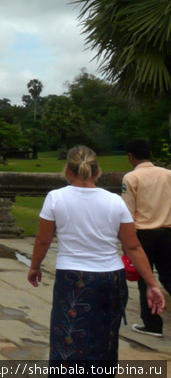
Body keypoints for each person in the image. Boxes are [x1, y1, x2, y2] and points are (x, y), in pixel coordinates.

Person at [27, 146, 164, 369]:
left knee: (68, 339)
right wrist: (152, 284)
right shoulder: (114, 201)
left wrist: (35, 267)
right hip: (110, 279)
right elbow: (133, 246)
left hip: (73, 278)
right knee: (105, 339)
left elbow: (43, 240)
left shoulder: (56, 198)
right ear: (97, 171)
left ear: (68, 172)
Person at [122, 138, 171, 337]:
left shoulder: (131, 178)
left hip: (143, 235)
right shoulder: (168, 174)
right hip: (168, 232)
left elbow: (127, 213)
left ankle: (152, 324)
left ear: (131, 157)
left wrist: (127, 243)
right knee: (169, 276)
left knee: (145, 279)